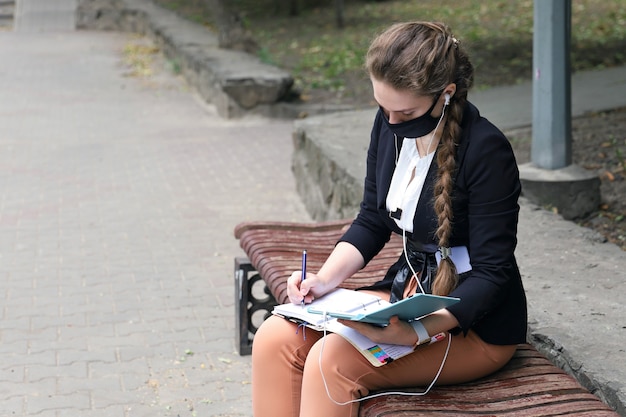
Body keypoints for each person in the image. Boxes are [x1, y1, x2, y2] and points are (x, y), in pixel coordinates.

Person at [252, 21, 527, 417]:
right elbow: (371, 220)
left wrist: (416, 331)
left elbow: (492, 274)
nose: (392, 123)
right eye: (382, 108)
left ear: (446, 94)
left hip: (473, 325)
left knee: (331, 362)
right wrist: (323, 281)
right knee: (276, 337)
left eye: (405, 112)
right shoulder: (390, 124)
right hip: (407, 295)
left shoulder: (486, 150)